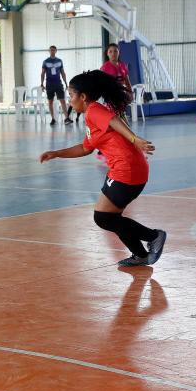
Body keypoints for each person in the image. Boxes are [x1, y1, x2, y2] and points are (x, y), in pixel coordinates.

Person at [40, 70, 166, 267]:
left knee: (104, 217)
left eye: (71, 94)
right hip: (122, 169)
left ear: (83, 97)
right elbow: (84, 148)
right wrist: (56, 153)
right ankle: (140, 254)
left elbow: (114, 121)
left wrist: (135, 139)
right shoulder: (91, 117)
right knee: (108, 217)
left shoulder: (93, 110)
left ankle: (153, 236)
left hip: (128, 169)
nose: (69, 99)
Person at [41, 46, 69, 126]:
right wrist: (42, 84)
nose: (52, 51)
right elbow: (42, 73)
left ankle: (66, 118)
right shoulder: (45, 61)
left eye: (53, 50)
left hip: (58, 83)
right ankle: (53, 118)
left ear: (56, 51)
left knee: (62, 100)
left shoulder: (59, 61)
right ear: (49, 51)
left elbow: (63, 72)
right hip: (49, 83)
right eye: (51, 50)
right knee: (50, 101)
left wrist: (66, 83)